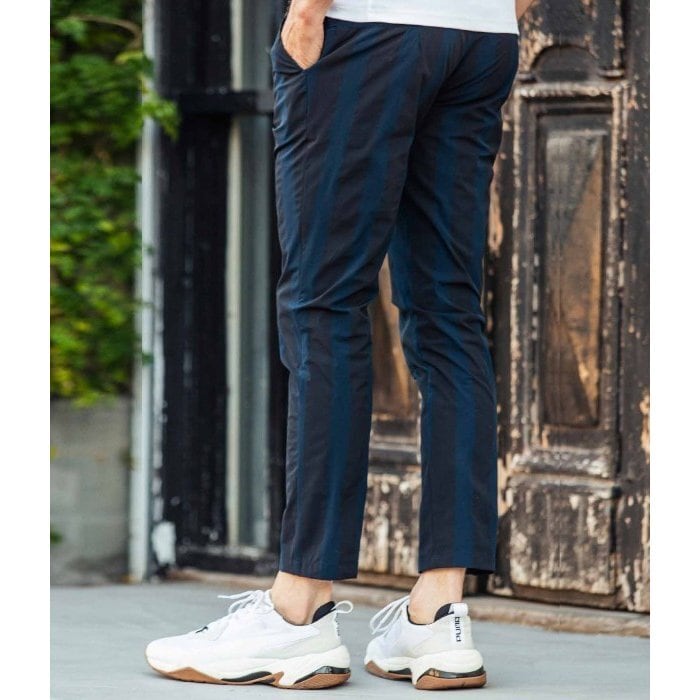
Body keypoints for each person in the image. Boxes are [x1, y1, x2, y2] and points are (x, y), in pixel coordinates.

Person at [146, 0, 535, 690]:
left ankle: (297, 610)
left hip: (365, 28)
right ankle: (438, 614)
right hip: (480, 37)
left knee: (323, 305)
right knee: (447, 311)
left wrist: (306, 11)